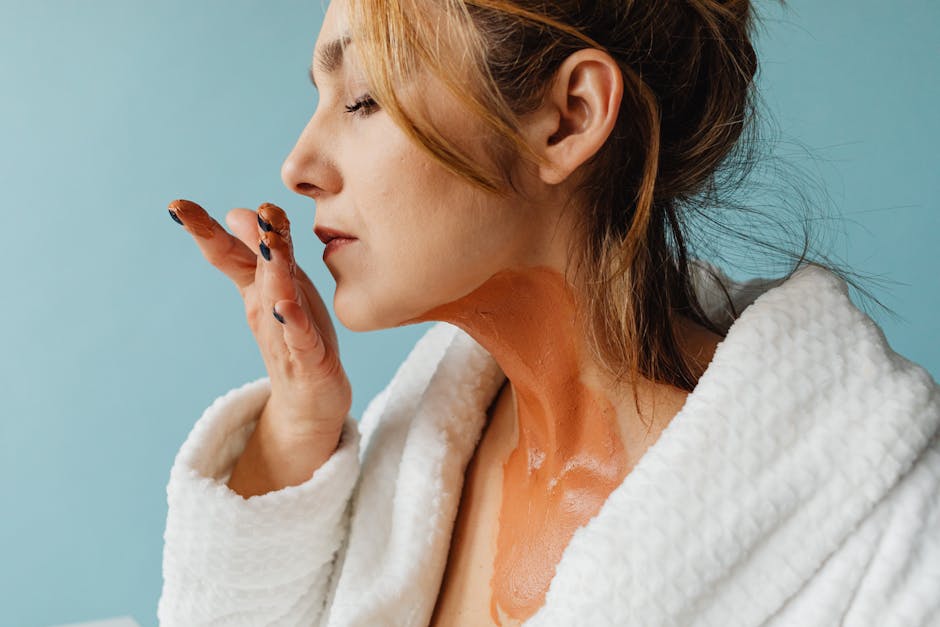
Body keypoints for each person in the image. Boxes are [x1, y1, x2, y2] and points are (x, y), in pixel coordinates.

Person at [157, 0, 940, 625]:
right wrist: (297, 425)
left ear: (568, 117)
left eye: (364, 98)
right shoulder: (421, 463)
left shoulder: (887, 534)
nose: (297, 166)